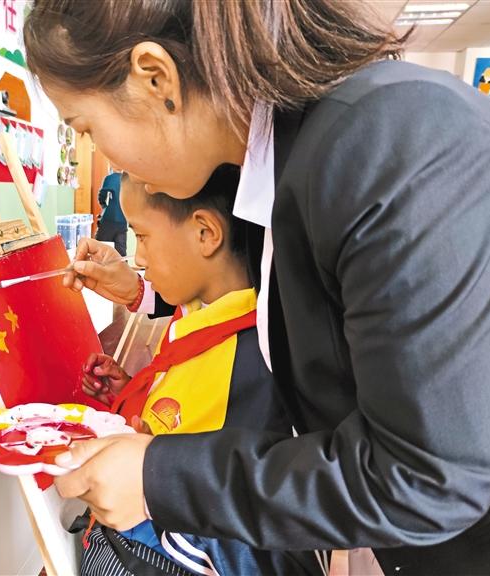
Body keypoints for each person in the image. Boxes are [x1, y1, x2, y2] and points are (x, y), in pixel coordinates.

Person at [24, 2, 490, 575]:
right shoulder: (294, 158)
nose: (107, 159)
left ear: (156, 77)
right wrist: (139, 293)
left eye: (87, 129)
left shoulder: (391, 148)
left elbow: (424, 474)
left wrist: (157, 477)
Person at [78, 166, 318, 576]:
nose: (137, 258)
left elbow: (222, 505)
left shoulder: (252, 358)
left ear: (206, 234)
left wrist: (152, 459)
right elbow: (186, 406)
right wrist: (134, 391)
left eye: (143, 237)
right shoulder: (202, 313)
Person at [95, 170, 128, 256]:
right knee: (121, 253)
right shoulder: (128, 180)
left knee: (100, 248)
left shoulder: (110, 178)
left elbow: (102, 195)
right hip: (123, 220)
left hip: (109, 218)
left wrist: (104, 205)